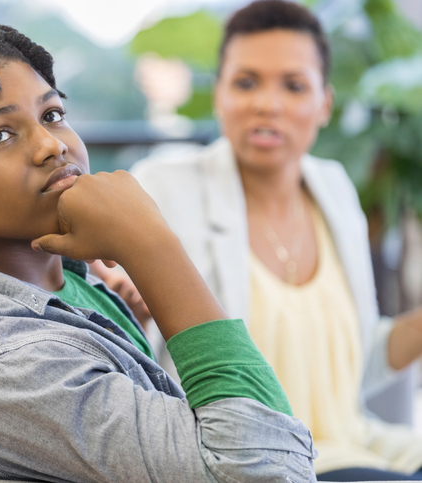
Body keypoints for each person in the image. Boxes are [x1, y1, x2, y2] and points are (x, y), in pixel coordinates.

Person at [0, 24, 317, 482]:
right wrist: (152, 246)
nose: (51, 145)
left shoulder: (56, 276)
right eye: (1, 135)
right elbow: (270, 470)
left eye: (52, 114)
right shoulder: (5, 366)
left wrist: (124, 322)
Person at [114, 1, 422, 481]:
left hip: (359, 444)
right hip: (257, 460)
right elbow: (123, 334)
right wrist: (134, 305)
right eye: (246, 82)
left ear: (325, 104)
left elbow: (353, 371)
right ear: (218, 95)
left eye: (293, 85)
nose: (267, 104)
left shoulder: (335, 189)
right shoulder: (164, 187)